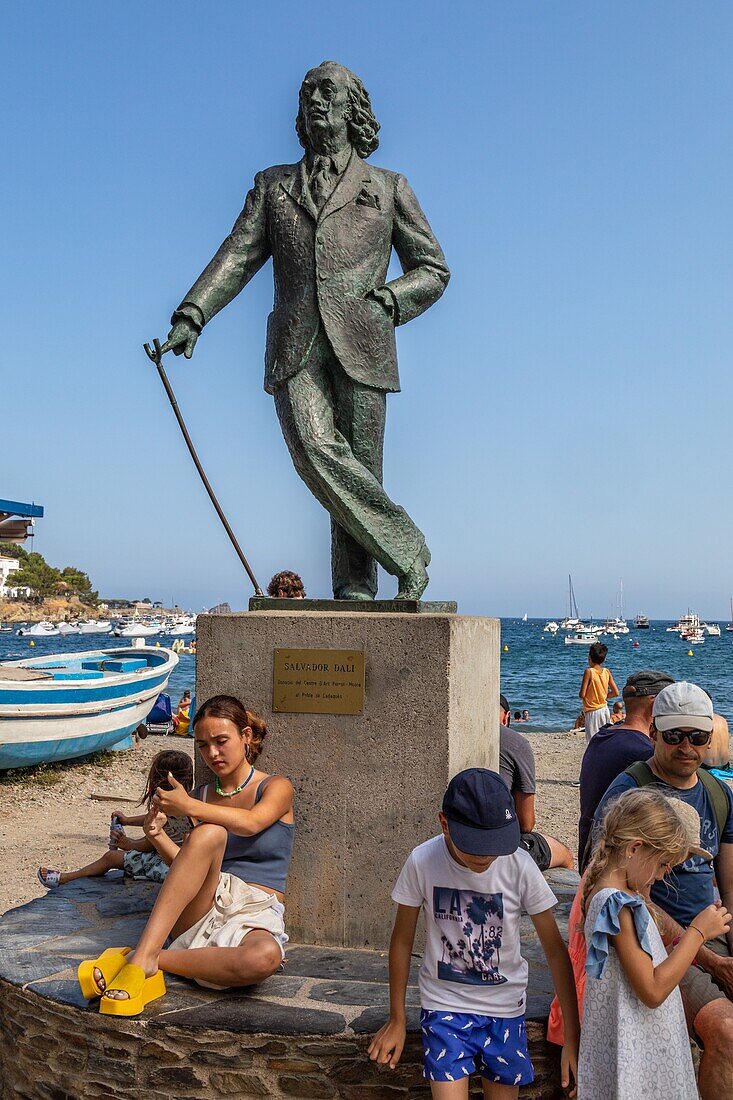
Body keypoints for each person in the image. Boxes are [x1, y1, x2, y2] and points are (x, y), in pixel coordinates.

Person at [160, 62, 449, 601]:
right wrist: (192, 314)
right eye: (307, 92)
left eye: (327, 90)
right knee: (313, 449)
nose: (315, 99)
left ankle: (357, 587)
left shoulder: (387, 187)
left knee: (361, 467)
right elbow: (239, 255)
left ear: (352, 106)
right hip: (294, 343)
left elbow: (433, 268)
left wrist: (392, 298)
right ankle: (408, 549)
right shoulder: (273, 187)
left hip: (364, 340)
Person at [77, 695, 295, 1016]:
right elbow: (186, 866)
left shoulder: (275, 787)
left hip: (256, 910)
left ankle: (144, 958)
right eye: (203, 745)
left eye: (221, 741)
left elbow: (251, 823)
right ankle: (146, 958)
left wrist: (189, 806)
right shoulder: (201, 797)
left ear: (245, 736)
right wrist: (155, 835)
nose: (212, 754)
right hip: (204, 903)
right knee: (209, 833)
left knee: (263, 959)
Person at [368, 768, 579, 1096]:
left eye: (493, 844)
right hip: (444, 1007)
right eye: (475, 845)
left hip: (505, 1009)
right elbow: (402, 939)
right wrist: (397, 1018)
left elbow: (554, 950)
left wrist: (571, 1036)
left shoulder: (519, 865)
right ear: (444, 824)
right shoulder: (422, 862)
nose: (485, 855)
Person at [592, 682, 733, 1099]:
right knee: (724, 1028)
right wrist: (706, 955)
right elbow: (626, 893)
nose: (687, 746)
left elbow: (728, 883)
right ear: (652, 732)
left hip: (708, 933)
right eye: (674, 736)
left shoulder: (718, 794)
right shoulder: (627, 797)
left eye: (698, 737)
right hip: (666, 943)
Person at [579, 787, 730, 1099]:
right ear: (635, 848)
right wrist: (698, 933)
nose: (661, 877)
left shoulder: (619, 897)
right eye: (662, 865)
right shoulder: (616, 905)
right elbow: (651, 989)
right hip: (637, 1058)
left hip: (638, 1048)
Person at [37, 750, 194, 888]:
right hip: (180, 862)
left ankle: (65, 879)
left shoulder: (166, 809)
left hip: (168, 867)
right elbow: (152, 819)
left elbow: (149, 843)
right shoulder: (188, 804)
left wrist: (128, 844)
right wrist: (128, 820)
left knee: (110, 857)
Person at [577, 671, 675, 868]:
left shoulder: (602, 737)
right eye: (670, 703)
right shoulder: (642, 752)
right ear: (655, 703)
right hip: (613, 866)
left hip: (589, 854)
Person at [499, 695, 574, 871]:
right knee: (566, 856)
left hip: (456, 836)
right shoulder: (516, 742)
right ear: (506, 716)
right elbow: (526, 824)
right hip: (500, 842)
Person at [579, 642, 619, 743]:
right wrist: (604, 695)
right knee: (604, 739)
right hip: (604, 709)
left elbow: (582, 694)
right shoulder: (606, 671)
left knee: (592, 741)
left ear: (589, 657)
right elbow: (615, 692)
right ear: (604, 659)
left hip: (592, 711)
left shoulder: (589, 672)